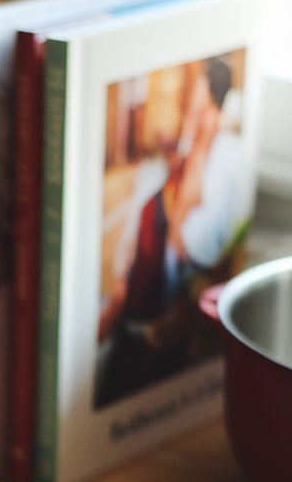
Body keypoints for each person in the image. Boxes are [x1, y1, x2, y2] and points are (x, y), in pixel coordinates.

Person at [95, 57, 249, 406]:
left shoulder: (224, 154)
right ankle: (120, 308)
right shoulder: (196, 142)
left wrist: (187, 176)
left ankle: (121, 312)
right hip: (149, 276)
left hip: (171, 286)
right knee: (146, 207)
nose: (191, 101)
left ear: (210, 99)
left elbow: (189, 242)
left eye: (196, 90)